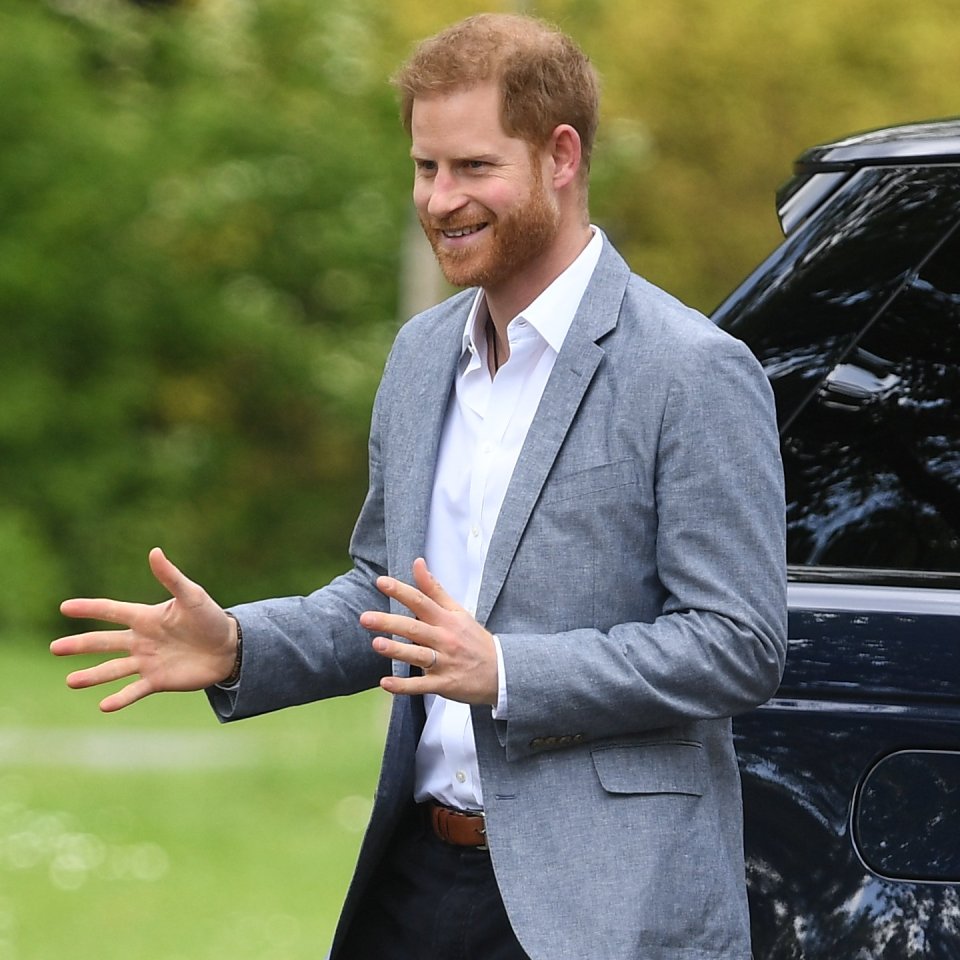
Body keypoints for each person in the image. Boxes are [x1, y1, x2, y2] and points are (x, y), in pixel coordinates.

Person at [52, 13, 787, 960]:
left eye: (474, 168)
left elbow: (739, 642)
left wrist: (509, 671)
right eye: (425, 168)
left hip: (605, 910)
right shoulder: (420, 355)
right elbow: (383, 598)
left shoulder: (691, 369)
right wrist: (240, 645)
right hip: (419, 885)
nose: (440, 200)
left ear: (561, 156)